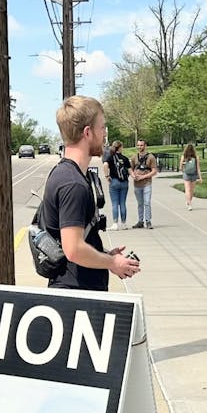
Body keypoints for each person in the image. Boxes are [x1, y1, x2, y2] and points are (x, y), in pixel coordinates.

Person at [42, 96, 140, 290]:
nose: (105, 135)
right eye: (102, 128)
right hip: (76, 295)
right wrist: (113, 263)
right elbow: (73, 249)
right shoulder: (73, 184)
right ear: (88, 132)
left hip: (78, 289)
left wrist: (105, 255)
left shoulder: (67, 174)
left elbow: (75, 239)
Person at [103, 140, 131, 229]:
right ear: (120, 147)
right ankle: (123, 223)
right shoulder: (125, 158)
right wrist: (135, 176)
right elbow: (130, 170)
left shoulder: (110, 157)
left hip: (114, 181)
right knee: (122, 203)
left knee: (115, 203)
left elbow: (105, 165)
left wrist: (107, 176)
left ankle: (115, 223)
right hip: (124, 182)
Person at [130, 139, 157, 229]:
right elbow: (130, 169)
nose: (139, 147)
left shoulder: (151, 157)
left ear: (145, 146)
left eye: (141, 145)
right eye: (138, 145)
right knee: (140, 203)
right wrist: (133, 175)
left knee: (147, 203)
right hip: (137, 184)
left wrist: (144, 176)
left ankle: (148, 221)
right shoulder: (134, 157)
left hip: (147, 183)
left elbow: (154, 171)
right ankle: (140, 221)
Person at [179, 143, 203, 210]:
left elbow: (180, 167)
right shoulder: (196, 157)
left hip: (186, 174)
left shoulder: (183, 156)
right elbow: (198, 168)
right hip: (194, 174)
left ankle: (189, 204)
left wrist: (183, 166)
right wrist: (200, 177)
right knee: (191, 190)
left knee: (188, 190)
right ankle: (189, 202)